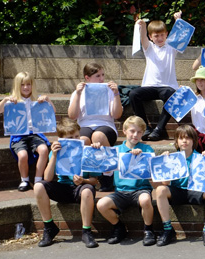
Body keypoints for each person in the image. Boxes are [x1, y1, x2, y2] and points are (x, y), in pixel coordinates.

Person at [33, 118, 99, 248]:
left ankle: (86, 231)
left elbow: (95, 181)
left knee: (87, 190)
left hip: (81, 188)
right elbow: (47, 178)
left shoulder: (87, 151)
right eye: (70, 138)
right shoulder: (57, 151)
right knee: (38, 186)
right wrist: (54, 156)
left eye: (77, 136)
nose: (75, 140)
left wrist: (83, 180)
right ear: (61, 139)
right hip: (63, 188)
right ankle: (49, 227)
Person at [154, 124, 205, 247]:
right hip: (177, 191)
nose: (184, 141)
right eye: (181, 138)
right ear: (176, 141)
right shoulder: (172, 158)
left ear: (194, 140)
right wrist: (165, 163)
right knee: (160, 189)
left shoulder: (200, 157)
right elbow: (165, 183)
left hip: (195, 190)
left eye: (188, 138)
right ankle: (168, 229)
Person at [95, 116, 157, 246]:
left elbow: (152, 174)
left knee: (146, 200)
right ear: (124, 131)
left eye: (139, 132)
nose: (135, 135)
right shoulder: (116, 150)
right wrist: (97, 151)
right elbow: (106, 171)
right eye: (132, 131)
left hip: (140, 189)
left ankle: (148, 230)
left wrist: (141, 157)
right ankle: (119, 227)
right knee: (101, 205)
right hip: (121, 192)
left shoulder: (147, 150)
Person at [0, 71, 52, 191]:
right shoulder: (13, 100)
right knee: (23, 155)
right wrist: (5, 100)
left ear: (32, 85)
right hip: (19, 135)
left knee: (44, 150)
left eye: (28, 84)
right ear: (17, 86)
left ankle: (38, 180)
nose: (26, 87)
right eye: (22, 84)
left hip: (34, 133)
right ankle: (24, 180)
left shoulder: (37, 99)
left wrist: (48, 100)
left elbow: (52, 111)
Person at [68, 62, 122, 191]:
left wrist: (116, 94)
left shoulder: (109, 91)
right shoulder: (78, 92)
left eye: (103, 75)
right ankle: (85, 177)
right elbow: (72, 116)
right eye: (98, 76)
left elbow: (117, 115)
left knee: (98, 136)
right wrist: (78, 94)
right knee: (82, 140)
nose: (102, 79)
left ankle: (108, 175)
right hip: (85, 125)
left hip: (106, 125)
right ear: (87, 78)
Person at [129, 11, 182, 141]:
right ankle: (145, 127)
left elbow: (178, 35)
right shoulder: (149, 48)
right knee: (133, 94)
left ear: (166, 34)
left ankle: (158, 129)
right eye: (156, 35)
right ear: (151, 37)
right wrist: (143, 26)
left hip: (167, 87)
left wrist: (178, 20)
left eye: (162, 35)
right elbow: (143, 37)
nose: (159, 38)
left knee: (172, 96)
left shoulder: (171, 48)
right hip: (150, 86)